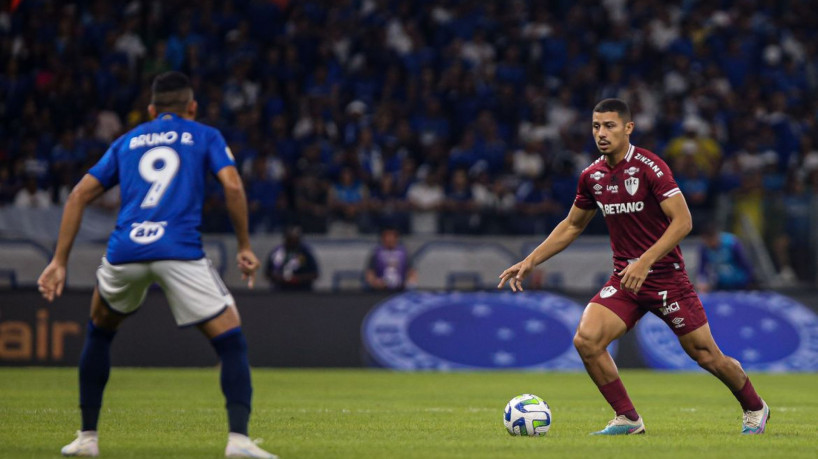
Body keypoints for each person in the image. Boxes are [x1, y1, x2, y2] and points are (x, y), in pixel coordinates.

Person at [36, 72, 277, 458]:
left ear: (150, 110)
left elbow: (79, 194)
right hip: (178, 250)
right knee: (231, 341)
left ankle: (86, 439)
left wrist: (59, 261)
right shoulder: (204, 135)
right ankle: (239, 442)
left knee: (99, 332)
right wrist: (244, 245)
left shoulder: (126, 141)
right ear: (192, 108)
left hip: (125, 250)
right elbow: (232, 186)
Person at [498, 99, 769, 435]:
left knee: (707, 356)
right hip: (626, 280)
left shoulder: (650, 167)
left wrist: (646, 260)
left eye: (610, 125)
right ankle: (628, 418)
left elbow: (683, 221)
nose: (601, 133)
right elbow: (571, 225)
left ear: (628, 128)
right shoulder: (592, 176)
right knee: (587, 340)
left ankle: (755, 407)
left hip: (666, 278)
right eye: (596, 126)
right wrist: (530, 261)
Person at [697, 225, 755, 292]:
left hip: (739, 284)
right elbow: (702, 268)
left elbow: (745, 263)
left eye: (710, 241)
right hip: (721, 285)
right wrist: (703, 281)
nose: (710, 244)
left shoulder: (732, 243)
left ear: (716, 236)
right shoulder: (704, 248)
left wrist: (749, 281)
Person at [265, 226, 319, 291]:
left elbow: (314, 274)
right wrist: (280, 278)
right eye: (290, 240)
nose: (292, 242)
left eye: (295, 240)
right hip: (280, 290)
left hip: (302, 290)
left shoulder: (305, 253)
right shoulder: (277, 252)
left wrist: (298, 279)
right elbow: (268, 272)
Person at [364, 226, 417, 290]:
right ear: (382, 238)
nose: (390, 239)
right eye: (387, 236)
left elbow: (412, 273)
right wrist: (375, 282)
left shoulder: (404, 253)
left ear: (397, 238)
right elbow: (370, 274)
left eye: (392, 236)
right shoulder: (376, 253)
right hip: (380, 290)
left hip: (400, 290)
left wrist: (409, 283)